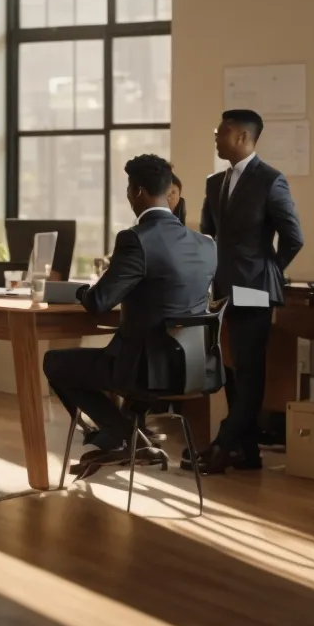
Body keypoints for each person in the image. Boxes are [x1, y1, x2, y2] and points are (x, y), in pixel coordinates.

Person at [43, 153, 217, 476]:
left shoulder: (135, 239)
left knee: (54, 363)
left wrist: (81, 291)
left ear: (136, 192)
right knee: (102, 361)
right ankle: (125, 437)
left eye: (128, 190)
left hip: (144, 371)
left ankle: (122, 437)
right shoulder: (205, 244)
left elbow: (99, 302)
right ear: (169, 190)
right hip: (194, 369)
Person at [197, 109, 304, 474]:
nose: (216, 136)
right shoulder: (215, 183)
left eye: (222, 131)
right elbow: (209, 235)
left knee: (250, 371)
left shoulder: (271, 180)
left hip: (256, 290)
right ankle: (248, 453)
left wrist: (268, 272)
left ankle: (223, 444)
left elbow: (294, 238)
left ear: (242, 137)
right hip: (222, 291)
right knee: (229, 369)